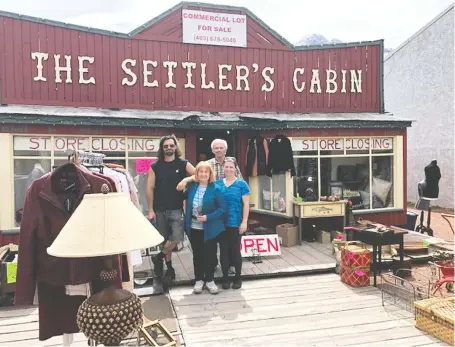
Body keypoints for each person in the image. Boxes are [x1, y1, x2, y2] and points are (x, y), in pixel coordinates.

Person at [177, 138, 242, 272]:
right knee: (211, 238)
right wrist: (186, 179)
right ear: (212, 150)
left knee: (227, 240)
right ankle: (212, 265)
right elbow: (198, 176)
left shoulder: (231, 162)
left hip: (228, 207)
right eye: (216, 148)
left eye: (221, 147)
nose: (219, 150)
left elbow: (239, 182)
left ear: (225, 149)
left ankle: (229, 265)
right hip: (211, 207)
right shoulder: (208, 164)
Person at [147, 134, 195, 284]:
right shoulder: (155, 166)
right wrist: (150, 210)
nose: (169, 148)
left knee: (177, 238)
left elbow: (199, 175)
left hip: (176, 208)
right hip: (160, 209)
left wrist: (186, 179)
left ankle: (158, 257)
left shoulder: (183, 163)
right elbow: (149, 188)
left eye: (171, 145)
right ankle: (169, 269)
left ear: (175, 147)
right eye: (166, 146)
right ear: (162, 148)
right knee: (165, 240)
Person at [184, 161, 227, 294]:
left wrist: (208, 217)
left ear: (210, 174)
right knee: (197, 255)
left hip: (210, 228)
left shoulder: (216, 188)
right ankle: (199, 280)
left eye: (206, 172)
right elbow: (180, 193)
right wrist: (184, 181)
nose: (203, 174)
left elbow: (223, 208)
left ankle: (209, 280)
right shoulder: (192, 187)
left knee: (210, 255)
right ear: (196, 173)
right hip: (194, 227)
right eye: (200, 171)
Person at [218, 158, 250, 290]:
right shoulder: (218, 183)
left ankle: (238, 277)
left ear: (235, 169)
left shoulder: (242, 184)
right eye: (226, 167)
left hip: (236, 223)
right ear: (223, 169)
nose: (229, 169)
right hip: (221, 224)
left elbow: (246, 204)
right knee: (223, 251)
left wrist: (244, 222)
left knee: (235, 251)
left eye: (231, 167)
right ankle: (225, 277)